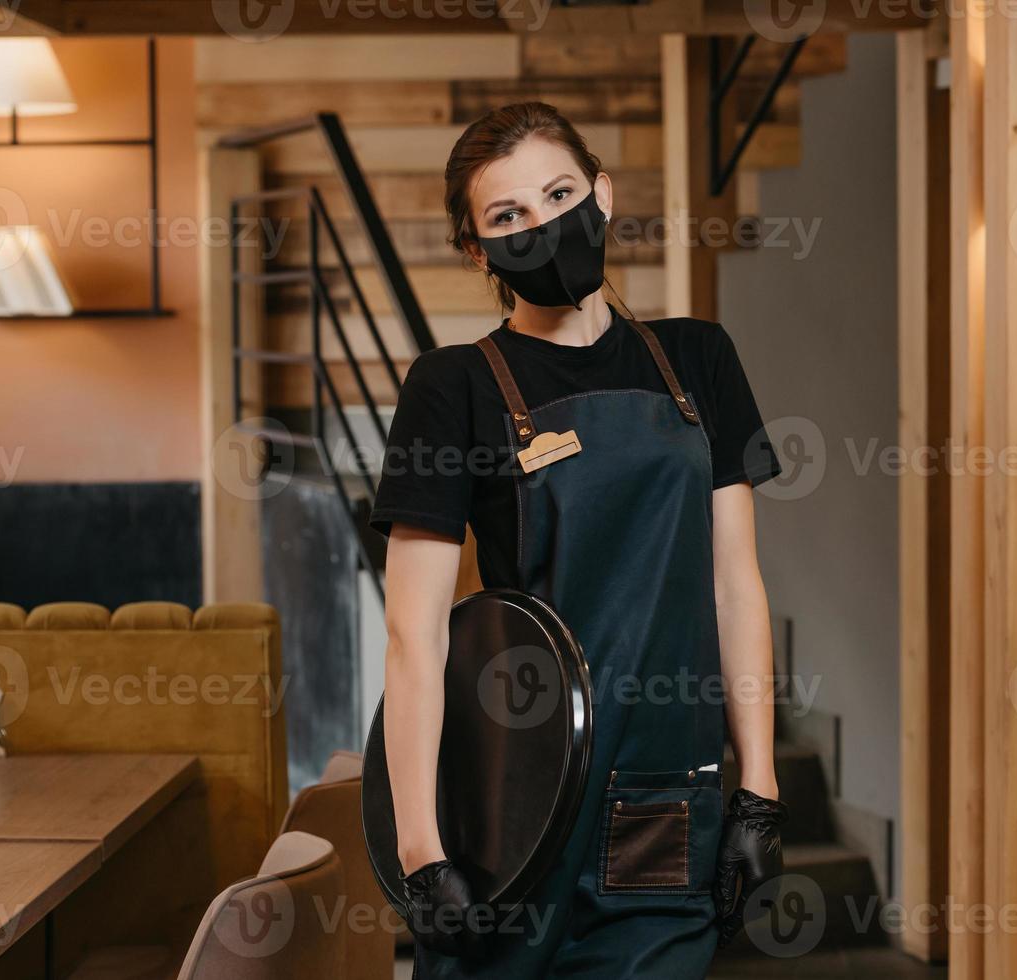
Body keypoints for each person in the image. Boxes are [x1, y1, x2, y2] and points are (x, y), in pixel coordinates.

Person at [370, 101, 789, 979]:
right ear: (478, 249)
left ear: (601, 193)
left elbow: (735, 584)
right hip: (518, 795)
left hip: (664, 793)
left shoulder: (699, 360)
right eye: (509, 216)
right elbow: (416, 634)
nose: (544, 225)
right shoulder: (452, 389)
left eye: (560, 193)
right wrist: (421, 853)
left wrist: (758, 790)